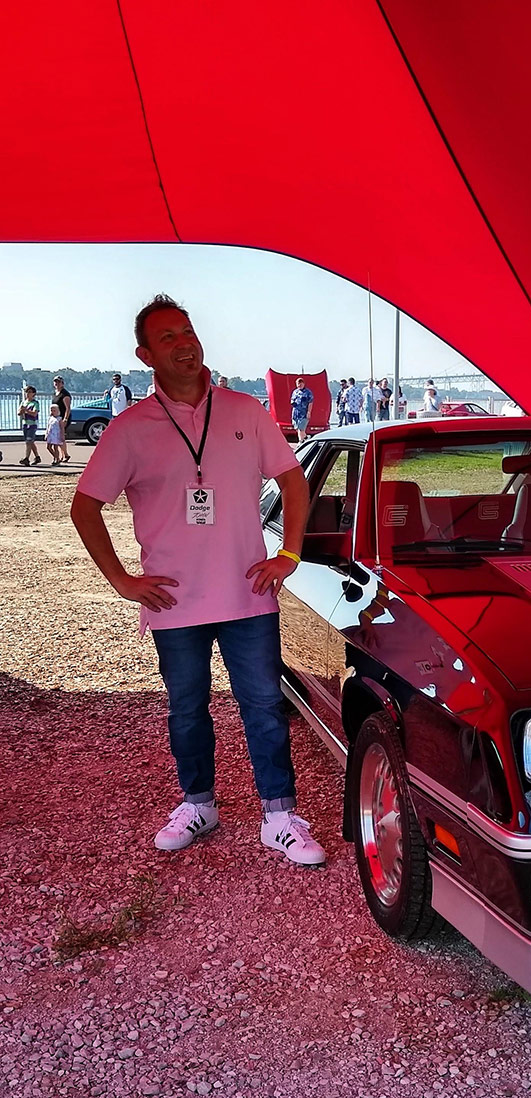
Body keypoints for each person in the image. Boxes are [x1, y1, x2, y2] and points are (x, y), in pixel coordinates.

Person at [70, 294, 323, 866]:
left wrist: (289, 553)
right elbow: (85, 508)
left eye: (188, 331)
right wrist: (122, 580)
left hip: (247, 595)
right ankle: (199, 805)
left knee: (262, 705)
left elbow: (294, 481)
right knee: (187, 708)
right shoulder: (130, 429)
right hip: (173, 602)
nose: (185, 343)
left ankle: (280, 817)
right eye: (168, 338)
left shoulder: (245, 411)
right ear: (144, 355)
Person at [17, 385, 42, 466]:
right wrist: (21, 410)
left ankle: (26, 458)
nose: (27, 394)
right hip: (25, 424)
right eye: (26, 392)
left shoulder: (35, 403)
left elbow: (35, 413)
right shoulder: (23, 402)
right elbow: (19, 413)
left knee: (29, 441)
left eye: (30, 392)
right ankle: (37, 457)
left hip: (32, 425)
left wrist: (26, 411)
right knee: (30, 442)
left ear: (33, 394)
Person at [51, 376, 72, 464]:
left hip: (62, 418)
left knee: (61, 437)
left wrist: (65, 419)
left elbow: (68, 408)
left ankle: (65, 454)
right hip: (56, 418)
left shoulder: (65, 394)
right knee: (58, 437)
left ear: (62, 383)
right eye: (55, 382)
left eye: (59, 382)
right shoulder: (56, 393)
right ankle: (64, 455)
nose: (57, 384)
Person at [290, 376, 314, 442]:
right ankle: (306, 437)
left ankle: (300, 441)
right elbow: (292, 400)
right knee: (297, 428)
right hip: (296, 413)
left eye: (301, 383)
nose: (299, 385)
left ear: (303, 383)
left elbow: (310, 403)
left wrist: (309, 412)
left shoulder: (308, 392)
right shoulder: (295, 392)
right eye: (298, 383)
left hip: (303, 413)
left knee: (301, 429)